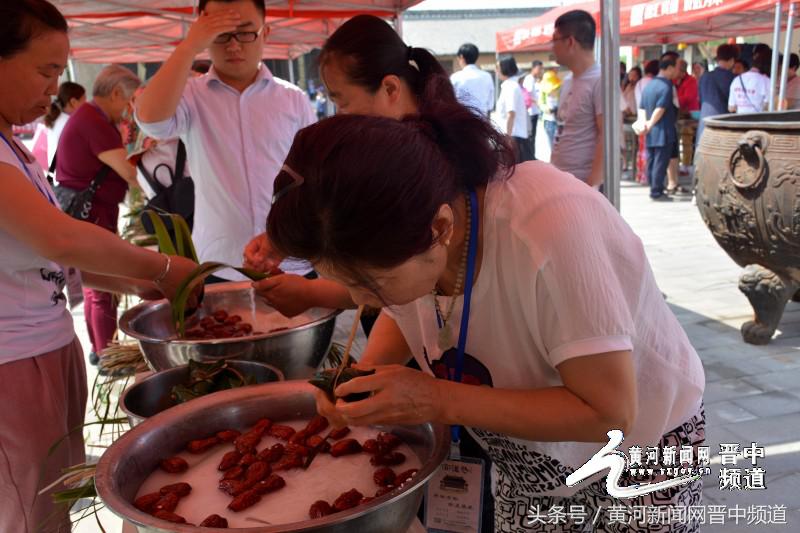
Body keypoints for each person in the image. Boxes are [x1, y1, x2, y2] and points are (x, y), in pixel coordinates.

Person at [266, 99, 706, 533]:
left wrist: (436, 399)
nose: (360, 300)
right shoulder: (417, 231)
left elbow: (609, 413)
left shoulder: (550, 228)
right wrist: (361, 380)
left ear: (440, 228)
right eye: (347, 282)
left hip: (640, 452)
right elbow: (406, 309)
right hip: (529, 458)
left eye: (372, 284)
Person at [0, 3, 198, 531]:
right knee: (30, 512)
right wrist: (163, 268)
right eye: (45, 71)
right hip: (12, 364)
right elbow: (61, 239)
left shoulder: (14, 148)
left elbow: (49, 259)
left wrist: (134, 280)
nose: (55, 88)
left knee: (53, 500)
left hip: (45, 348)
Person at [135, 0, 316, 283]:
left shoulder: (293, 99)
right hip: (219, 265)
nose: (233, 45)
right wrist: (188, 47)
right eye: (220, 34)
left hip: (291, 260)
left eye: (245, 33)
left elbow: (314, 177)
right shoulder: (190, 96)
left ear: (265, 33)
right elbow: (150, 120)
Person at [54, 65, 142, 365]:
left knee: (96, 286)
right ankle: (107, 354)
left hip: (91, 212)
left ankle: (100, 350)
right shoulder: (95, 122)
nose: (130, 110)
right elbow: (129, 172)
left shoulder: (90, 116)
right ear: (116, 93)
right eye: (130, 101)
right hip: (91, 215)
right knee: (105, 286)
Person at [550, 9, 603, 188]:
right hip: (562, 181)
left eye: (555, 40)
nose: (552, 47)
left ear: (570, 42)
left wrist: (592, 186)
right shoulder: (568, 81)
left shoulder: (601, 80)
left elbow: (608, 136)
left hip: (583, 186)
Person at [641, 55, 679, 201]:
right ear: (669, 68)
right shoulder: (666, 86)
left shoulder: (648, 85)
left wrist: (646, 125)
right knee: (660, 162)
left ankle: (654, 187)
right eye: (675, 68)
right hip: (663, 129)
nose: (676, 71)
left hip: (650, 131)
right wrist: (651, 123)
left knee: (652, 161)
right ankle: (656, 191)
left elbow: (642, 107)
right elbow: (661, 108)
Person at [697, 44, 737, 144]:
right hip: (721, 128)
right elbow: (733, 107)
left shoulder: (704, 77)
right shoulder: (733, 79)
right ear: (732, 60)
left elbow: (700, 100)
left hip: (703, 127)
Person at [496, 55, 532, 163]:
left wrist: (507, 138)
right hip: (514, 137)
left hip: (514, 138)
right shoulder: (510, 85)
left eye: (497, 68)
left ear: (504, 68)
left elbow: (511, 113)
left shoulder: (510, 86)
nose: (496, 71)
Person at [43, 81, 85, 169]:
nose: (86, 105)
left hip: (58, 172)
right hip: (67, 172)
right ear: (73, 102)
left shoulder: (57, 119)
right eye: (84, 101)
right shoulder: (71, 123)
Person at [450, 42, 494, 118]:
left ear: (461, 57)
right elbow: (490, 104)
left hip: (462, 119)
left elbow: (450, 102)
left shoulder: (455, 77)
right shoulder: (487, 76)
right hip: (482, 120)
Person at [635, 59, 659, 185]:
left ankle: (641, 175)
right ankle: (649, 176)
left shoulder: (639, 83)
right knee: (651, 151)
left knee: (642, 150)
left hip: (640, 119)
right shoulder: (655, 83)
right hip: (652, 120)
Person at [522, 60, 543, 159]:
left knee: (533, 136)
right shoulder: (529, 79)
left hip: (534, 111)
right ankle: (530, 157)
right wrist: (538, 103)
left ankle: (531, 156)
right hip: (531, 111)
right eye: (539, 68)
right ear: (533, 68)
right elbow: (528, 95)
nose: (540, 71)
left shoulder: (534, 79)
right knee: (531, 136)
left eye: (541, 69)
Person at [538, 68, 561, 149]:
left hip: (559, 121)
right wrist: (547, 109)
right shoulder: (543, 91)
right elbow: (541, 103)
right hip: (549, 121)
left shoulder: (560, 88)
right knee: (553, 146)